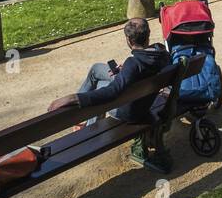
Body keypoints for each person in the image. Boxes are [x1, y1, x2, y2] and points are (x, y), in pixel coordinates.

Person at [47, 17, 173, 173]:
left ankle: (88, 125)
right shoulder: (162, 53)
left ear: (128, 40)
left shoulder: (133, 63)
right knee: (96, 69)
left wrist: (74, 98)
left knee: (100, 85)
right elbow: (142, 69)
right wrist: (125, 71)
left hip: (130, 112)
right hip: (143, 99)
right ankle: (85, 121)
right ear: (148, 34)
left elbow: (112, 92)